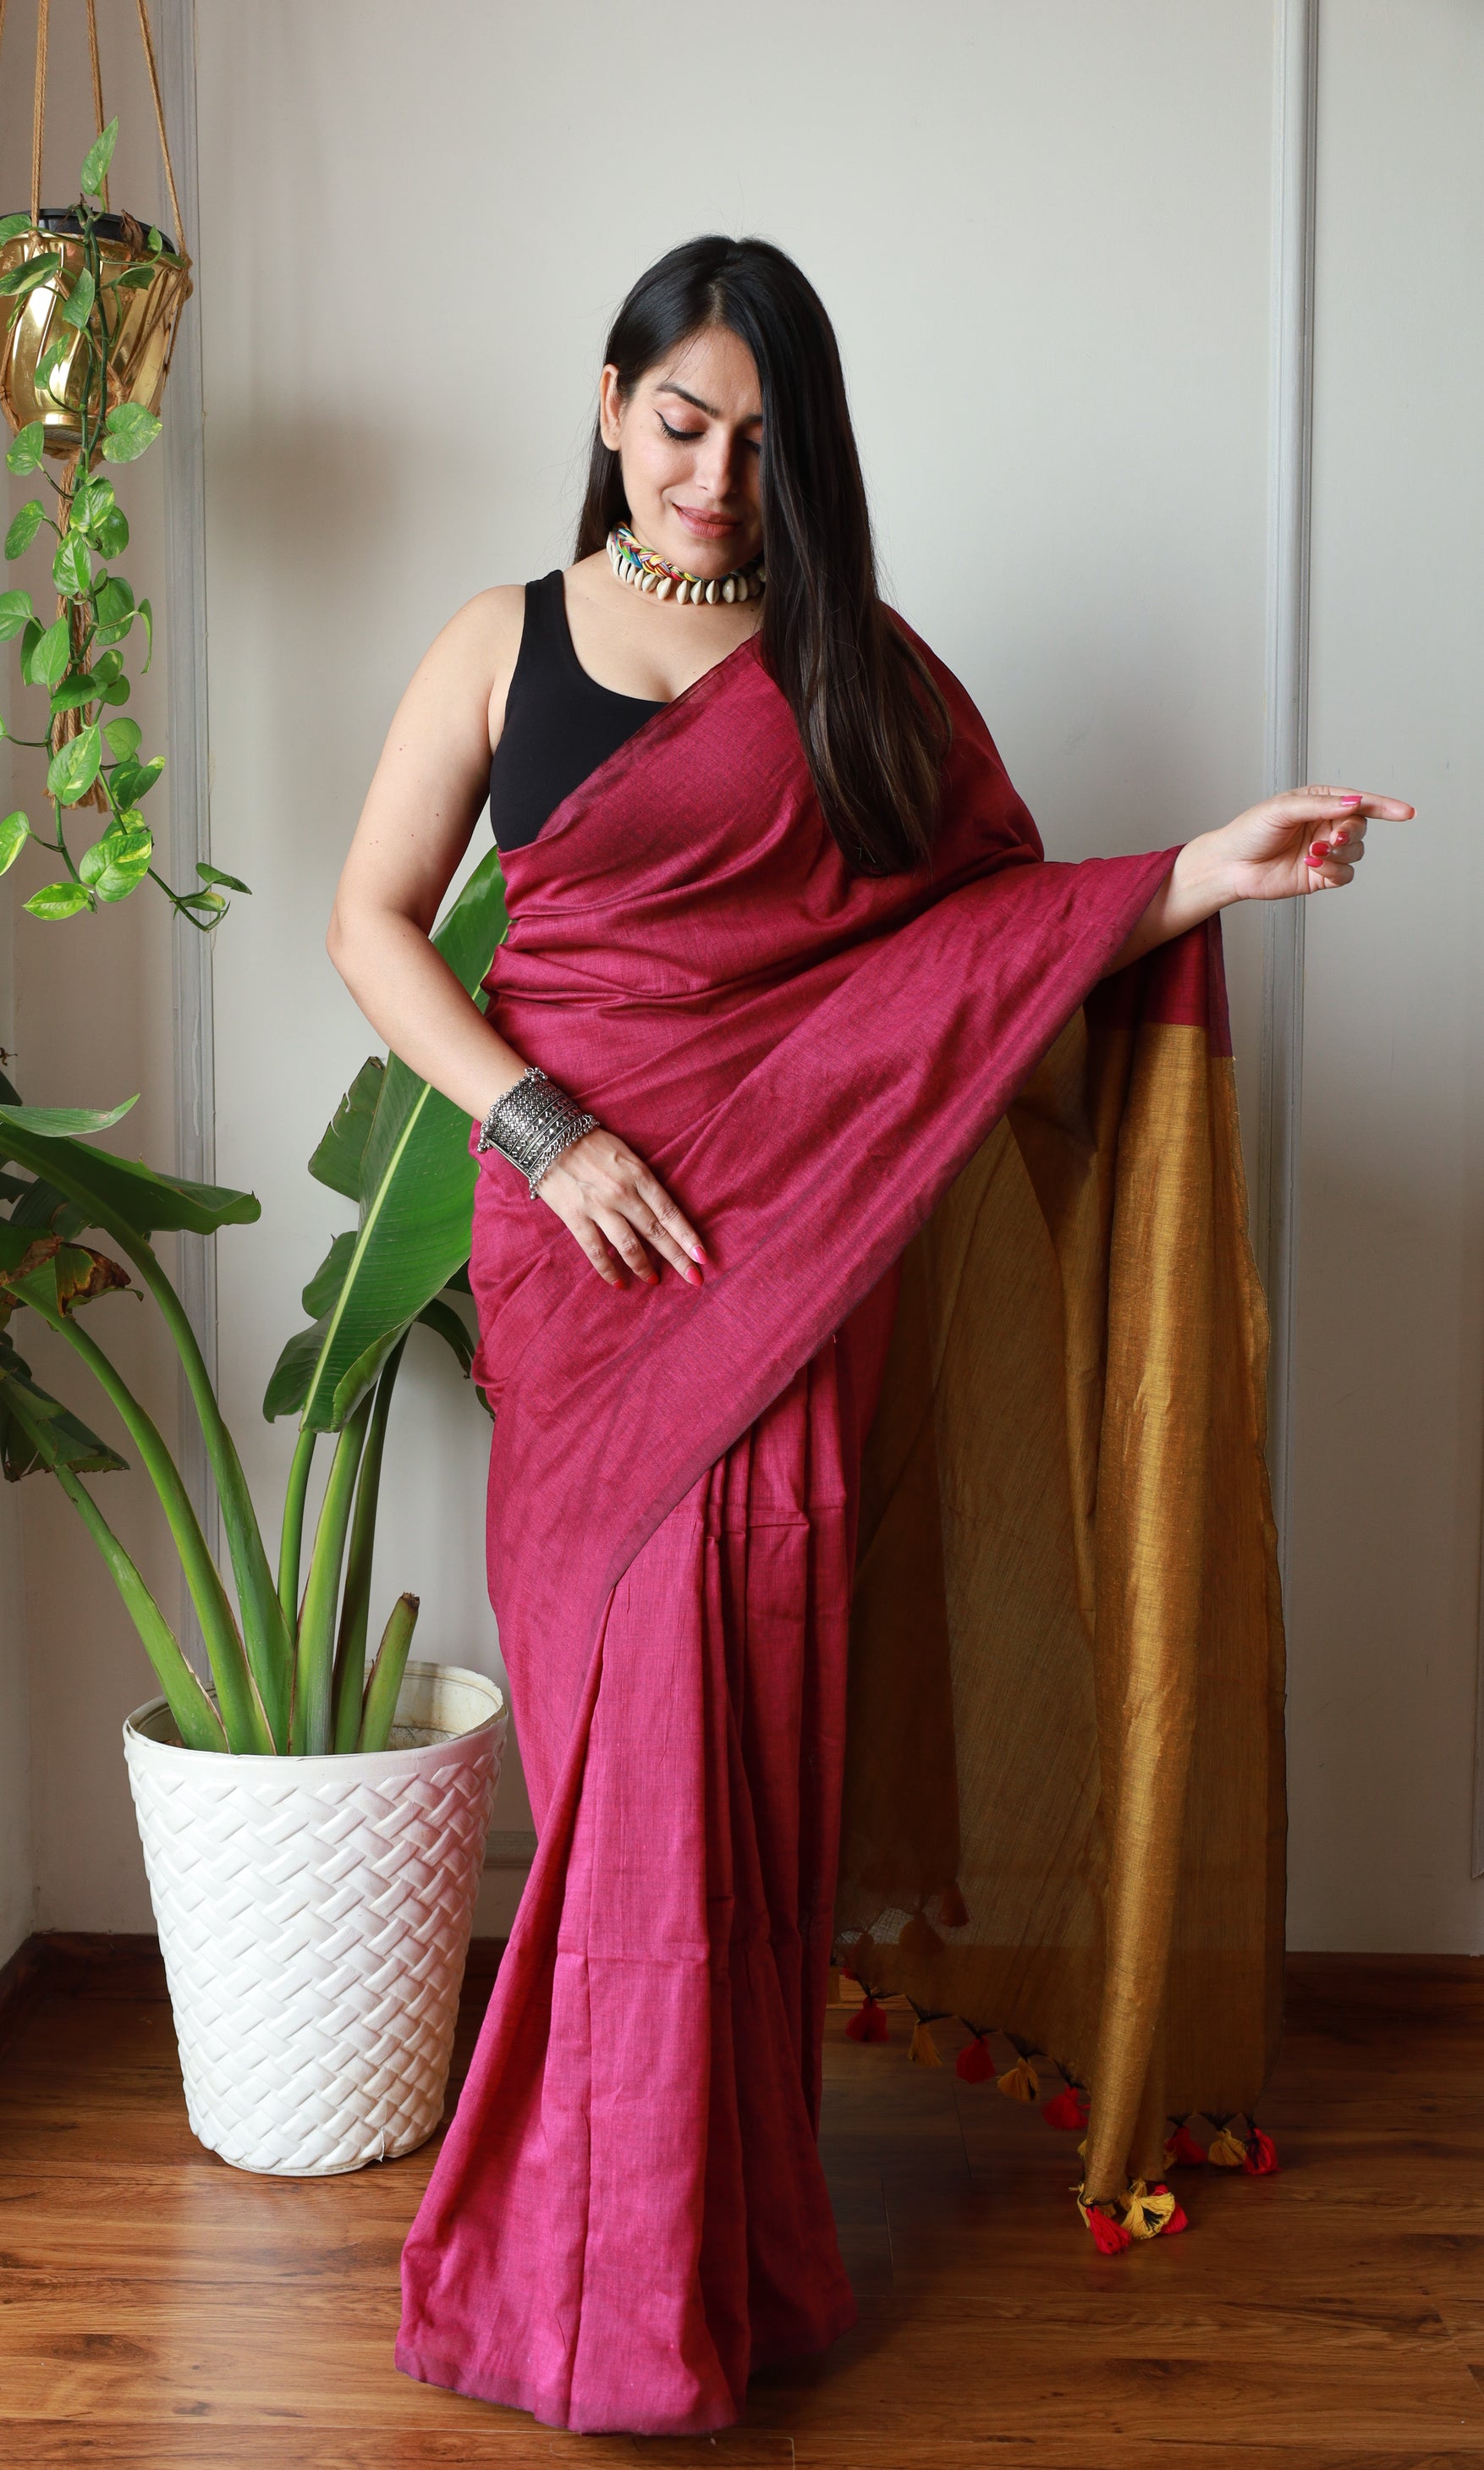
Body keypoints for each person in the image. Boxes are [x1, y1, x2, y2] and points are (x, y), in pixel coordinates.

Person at [327, 234, 1413, 2439]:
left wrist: (1199, 872)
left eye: (761, 440)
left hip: (787, 1261)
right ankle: (606, 2263)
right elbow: (372, 925)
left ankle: (686, 2268)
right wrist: (539, 1129)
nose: (714, 476)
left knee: (737, 1746)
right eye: (679, 422)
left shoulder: (862, 677)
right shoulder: (498, 640)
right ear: (610, 403)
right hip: (576, 1258)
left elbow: (982, 944)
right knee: (622, 1749)